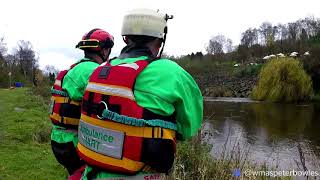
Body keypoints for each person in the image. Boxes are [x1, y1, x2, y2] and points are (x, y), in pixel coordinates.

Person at [77, 8, 203, 180]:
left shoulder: (99, 70)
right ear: (160, 41)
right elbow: (189, 128)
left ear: (126, 39)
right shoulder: (171, 72)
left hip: (91, 173)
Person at [49, 28, 114, 176]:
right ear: (104, 51)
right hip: (75, 142)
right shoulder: (97, 72)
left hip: (58, 138)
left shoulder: (73, 69)